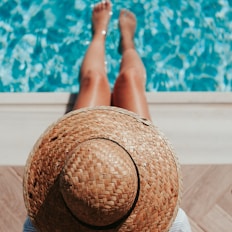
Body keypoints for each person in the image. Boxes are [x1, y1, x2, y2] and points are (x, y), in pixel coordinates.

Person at [23, 1, 191, 231]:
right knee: (130, 79)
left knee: (93, 80)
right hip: (129, 166)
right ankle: (127, 43)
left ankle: (99, 35)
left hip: (92, 155)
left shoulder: (36, 226)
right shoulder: (174, 223)